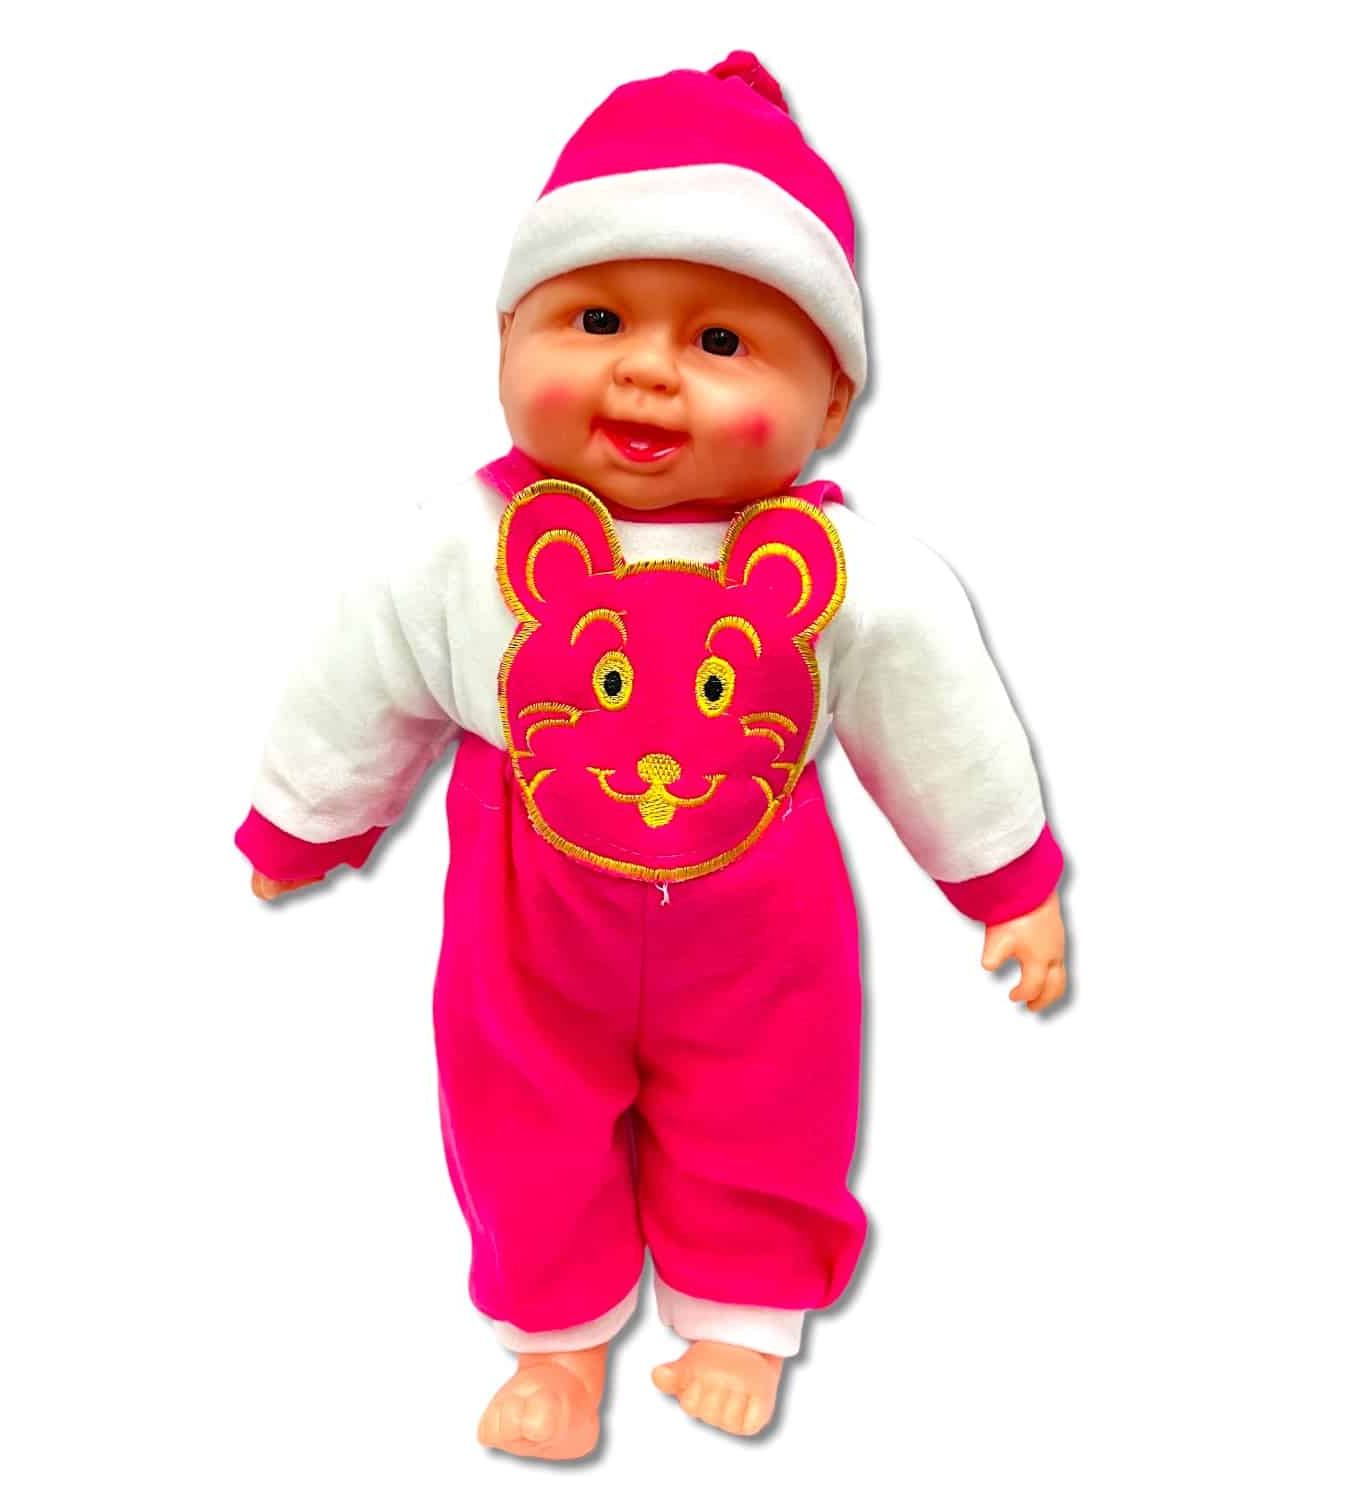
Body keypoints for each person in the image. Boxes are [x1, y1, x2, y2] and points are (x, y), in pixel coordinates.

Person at [235, 50, 1068, 1459]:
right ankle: (554, 1349)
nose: (644, 370)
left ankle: (739, 1320)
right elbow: (359, 680)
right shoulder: (462, 544)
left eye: (722, 341)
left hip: (761, 926)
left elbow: (942, 725)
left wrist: (1006, 884)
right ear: (507, 335)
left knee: (773, 1099)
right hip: (526, 919)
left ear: (832, 402)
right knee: (517, 1110)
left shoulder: (850, 574)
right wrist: (306, 821)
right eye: (599, 317)